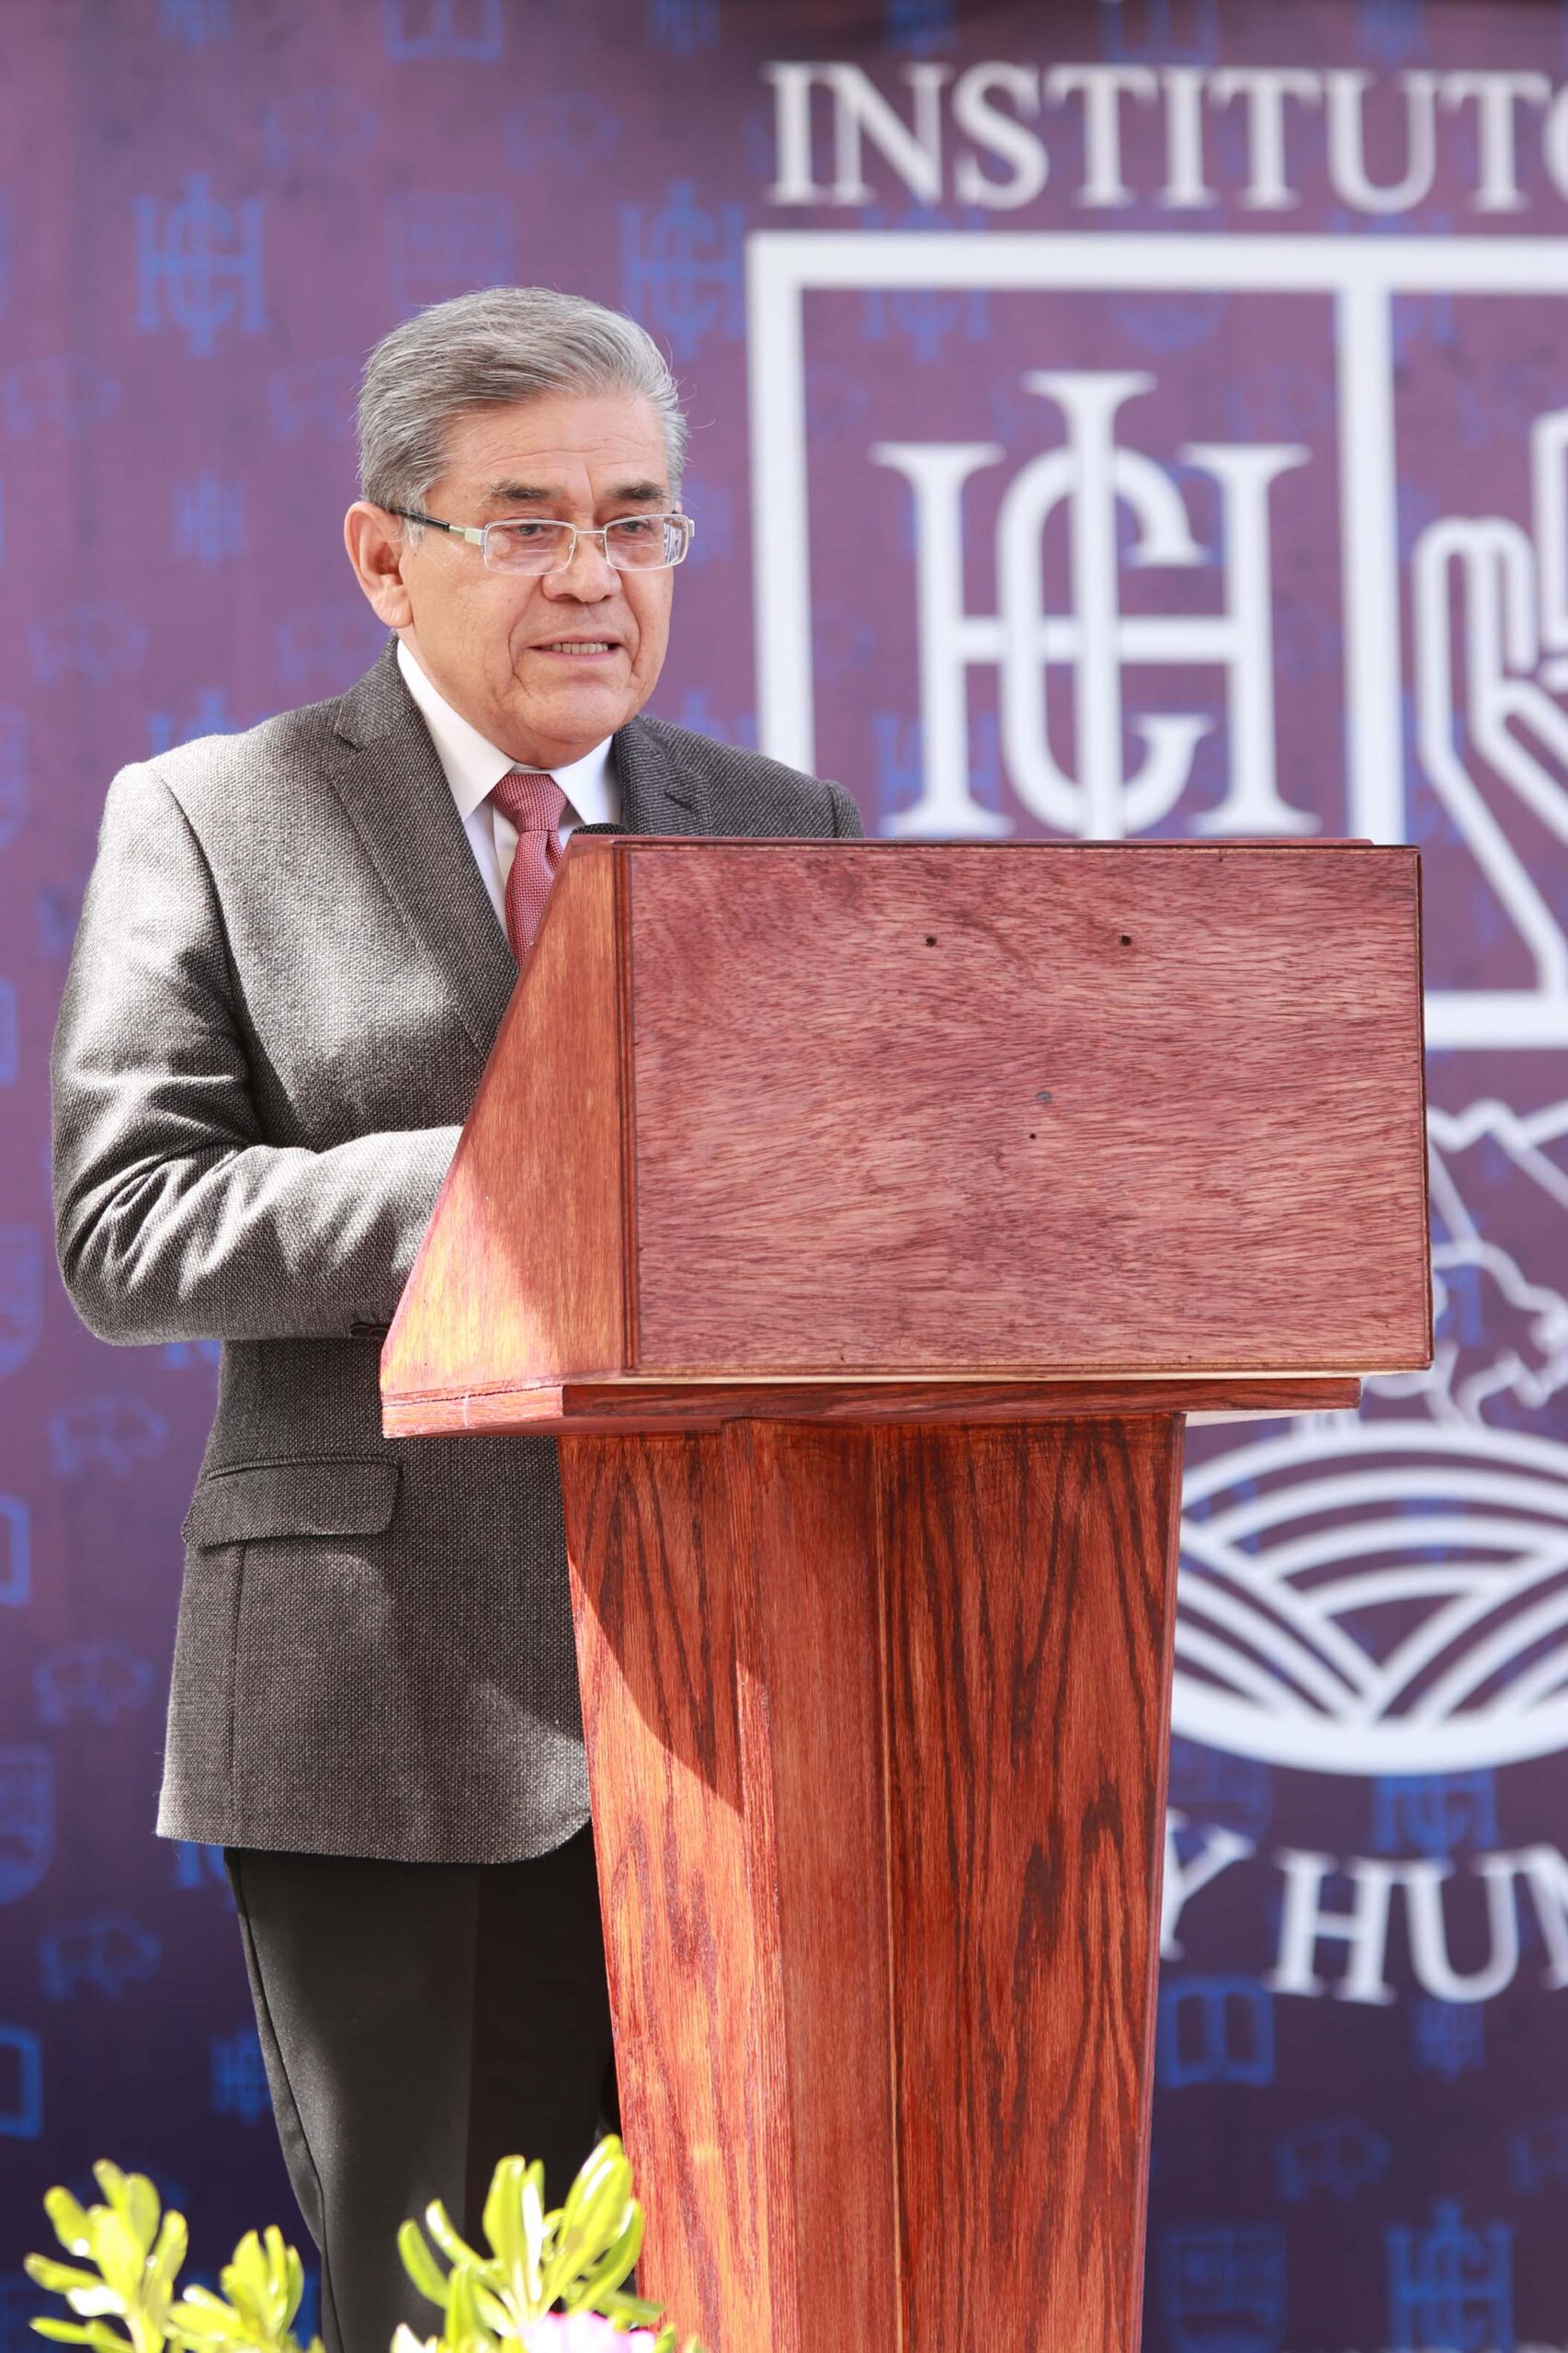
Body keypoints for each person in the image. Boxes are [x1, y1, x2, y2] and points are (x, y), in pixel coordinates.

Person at [49, 285, 863, 2353]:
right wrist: (516, 1161)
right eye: (526, 522)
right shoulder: (218, 812)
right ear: (383, 552)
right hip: (387, 1706)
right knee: (447, 2310)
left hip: (754, 1708)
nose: (593, 573)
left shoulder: (783, 827)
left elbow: (849, 1213)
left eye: (636, 520)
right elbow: (126, 1228)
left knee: (755, 2294)